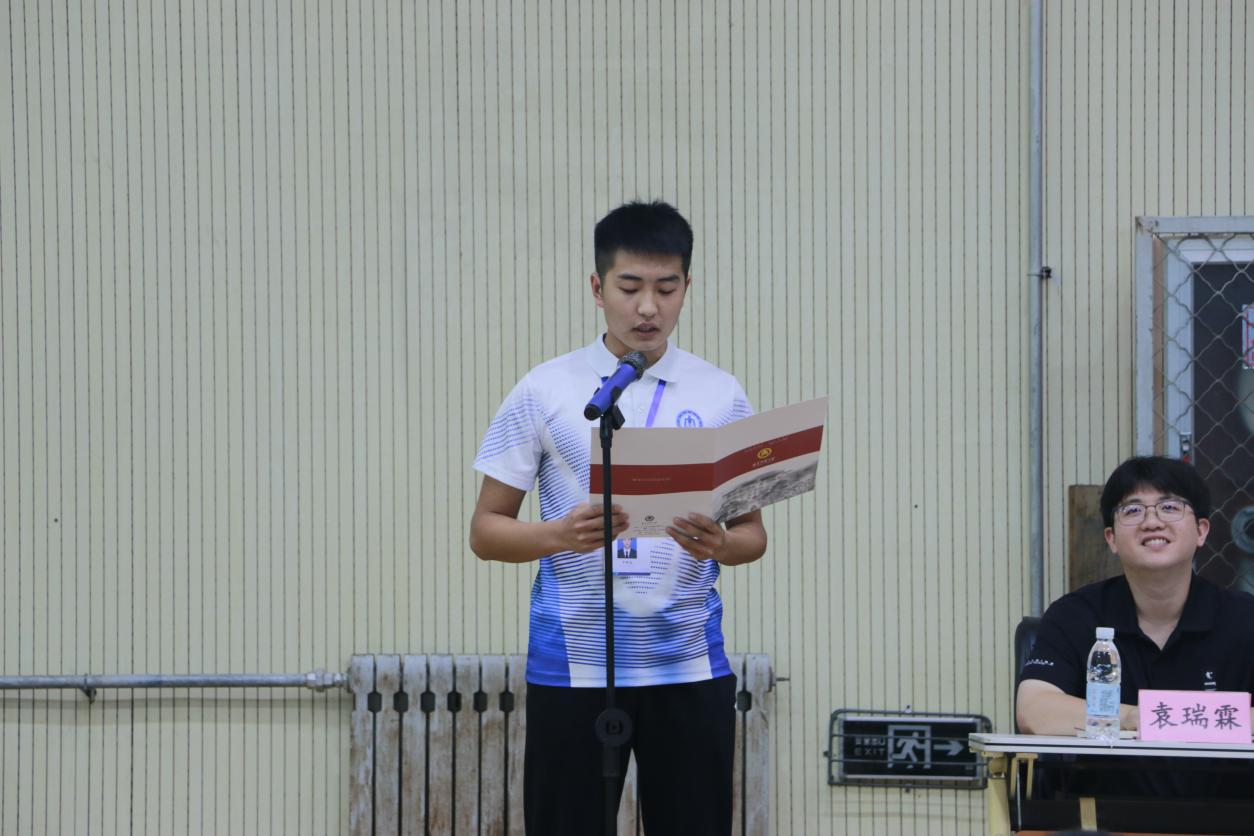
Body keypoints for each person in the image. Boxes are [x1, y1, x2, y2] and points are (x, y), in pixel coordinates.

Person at [468, 200, 768, 835]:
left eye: (667, 288)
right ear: (597, 288)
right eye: (630, 288)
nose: (648, 308)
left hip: (688, 663)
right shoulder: (545, 388)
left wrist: (719, 543)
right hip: (573, 664)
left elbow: (753, 537)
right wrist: (557, 534)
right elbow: (486, 531)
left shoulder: (721, 393)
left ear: (688, 286)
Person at [1016, 455, 1254, 796]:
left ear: (1202, 531)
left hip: (1228, 818)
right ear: (1111, 538)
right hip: (1101, 818)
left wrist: (1183, 719)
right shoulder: (1076, 614)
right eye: (1133, 510)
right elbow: (1034, 711)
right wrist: (1132, 718)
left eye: (1169, 507)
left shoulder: (1244, 618)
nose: (1152, 521)